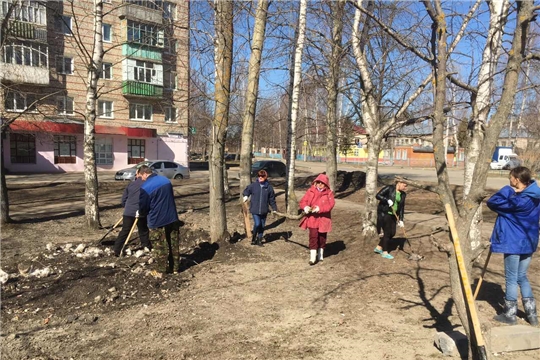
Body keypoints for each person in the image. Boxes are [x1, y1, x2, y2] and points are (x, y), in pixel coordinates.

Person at [487, 166, 539, 326]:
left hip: (513, 243)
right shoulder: (536, 197)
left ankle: (510, 314)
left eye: (511, 178)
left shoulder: (517, 201)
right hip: (529, 242)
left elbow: (492, 202)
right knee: (521, 276)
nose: (509, 180)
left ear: (517, 179)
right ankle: (532, 314)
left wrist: (507, 190)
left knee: (511, 277)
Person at [138, 166, 181, 273]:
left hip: (157, 220)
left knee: (159, 247)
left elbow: (143, 207)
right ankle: (175, 268)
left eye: (140, 177)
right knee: (173, 244)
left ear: (144, 174)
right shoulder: (166, 180)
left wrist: (141, 213)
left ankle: (161, 270)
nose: (141, 180)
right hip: (172, 217)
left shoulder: (145, 187)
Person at [113, 166, 151, 257]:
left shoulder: (131, 184)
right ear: (144, 175)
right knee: (143, 230)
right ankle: (146, 246)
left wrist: (127, 207)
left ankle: (117, 249)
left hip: (128, 212)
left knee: (125, 230)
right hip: (140, 212)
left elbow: (123, 199)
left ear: (138, 174)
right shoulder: (148, 185)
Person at [299, 174, 335, 265]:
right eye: (318, 182)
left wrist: (320, 208)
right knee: (313, 236)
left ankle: (321, 254)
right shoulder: (310, 191)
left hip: (324, 219)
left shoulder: (329, 193)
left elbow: (330, 205)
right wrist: (305, 207)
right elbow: (303, 201)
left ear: (325, 184)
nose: (319, 184)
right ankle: (312, 257)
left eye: (322, 183)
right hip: (312, 218)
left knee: (322, 237)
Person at [242, 170, 278, 246]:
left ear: (265, 177)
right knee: (257, 224)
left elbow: (272, 199)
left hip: (264, 210)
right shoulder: (253, 185)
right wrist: (246, 196)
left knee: (262, 225)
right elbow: (247, 190)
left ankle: (259, 240)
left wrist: (274, 209)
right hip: (255, 209)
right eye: (259, 176)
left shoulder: (269, 187)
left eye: (262, 176)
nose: (260, 177)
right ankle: (254, 237)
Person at [374, 180, 408, 260]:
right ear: (399, 183)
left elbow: (401, 208)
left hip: (393, 214)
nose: (405, 187)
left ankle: (379, 247)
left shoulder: (403, 194)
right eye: (404, 185)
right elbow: (378, 195)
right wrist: (387, 200)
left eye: (406, 186)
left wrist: (401, 220)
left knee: (392, 233)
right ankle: (385, 252)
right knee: (387, 232)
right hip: (384, 213)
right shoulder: (389, 188)